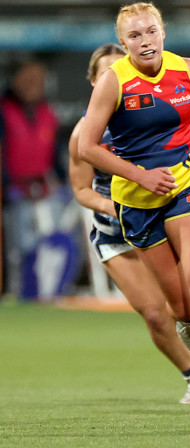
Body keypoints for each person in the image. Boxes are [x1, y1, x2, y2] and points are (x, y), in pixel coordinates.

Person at [77, 2, 190, 418]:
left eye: (151, 31)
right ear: (123, 43)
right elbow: (86, 148)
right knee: (180, 306)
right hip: (136, 203)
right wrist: (140, 176)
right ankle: (186, 317)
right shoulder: (112, 82)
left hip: (187, 185)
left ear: (163, 33)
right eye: (135, 35)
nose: (145, 41)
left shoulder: (189, 70)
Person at [69, 43, 190, 405]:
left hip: (159, 213)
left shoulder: (154, 116)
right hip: (115, 230)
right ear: (94, 82)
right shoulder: (85, 134)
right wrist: (109, 205)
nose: (117, 77)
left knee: (184, 297)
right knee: (152, 313)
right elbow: (81, 190)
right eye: (106, 72)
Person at [0, 59, 62, 297]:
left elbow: (54, 154)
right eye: (27, 79)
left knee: (49, 245)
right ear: (15, 80)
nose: (32, 85)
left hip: (44, 190)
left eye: (37, 80)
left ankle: (49, 293)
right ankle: (18, 295)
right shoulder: (4, 109)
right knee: (20, 249)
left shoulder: (47, 111)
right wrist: (7, 186)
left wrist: (62, 182)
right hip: (14, 191)